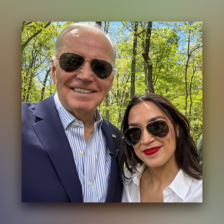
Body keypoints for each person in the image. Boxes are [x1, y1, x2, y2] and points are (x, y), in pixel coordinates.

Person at [22, 23, 123, 202]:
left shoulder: (120, 141)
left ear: (111, 80)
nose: (85, 76)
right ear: (54, 70)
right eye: (72, 62)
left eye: (100, 68)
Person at [120, 93, 202, 202]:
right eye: (135, 132)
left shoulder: (200, 191)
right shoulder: (125, 180)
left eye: (157, 126)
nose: (146, 140)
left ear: (177, 129)